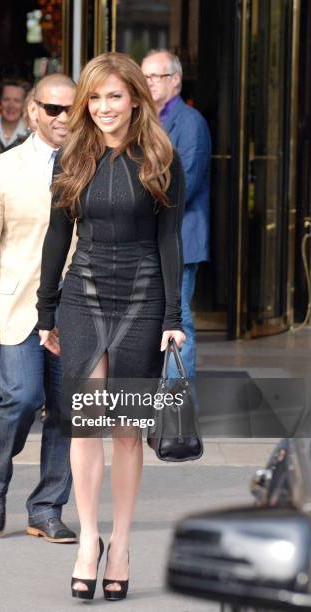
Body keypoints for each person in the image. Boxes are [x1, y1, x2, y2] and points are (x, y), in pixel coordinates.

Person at [36, 52, 185, 601]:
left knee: (124, 428)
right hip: (84, 292)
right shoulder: (70, 156)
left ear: (135, 100)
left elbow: (171, 239)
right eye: (93, 98)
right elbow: (57, 236)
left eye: (113, 96)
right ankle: (89, 540)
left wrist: (174, 317)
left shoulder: (160, 155)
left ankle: (121, 542)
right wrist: (44, 309)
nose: (102, 108)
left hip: (144, 295)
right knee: (84, 422)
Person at [0, 73, 77, 543]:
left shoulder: (93, 165)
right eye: (54, 109)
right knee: (23, 397)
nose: (64, 118)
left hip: (77, 309)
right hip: (17, 309)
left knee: (69, 411)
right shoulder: (0, 169)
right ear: (33, 111)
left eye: (73, 108)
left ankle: (47, 507)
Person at [141, 49, 211, 384]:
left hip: (180, 238)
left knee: (178, 321)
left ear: (176, 81)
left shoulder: (190, 123)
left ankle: (176, 401)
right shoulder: (144, 119)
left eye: (156, 76)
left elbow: (188, 185)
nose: (149, 82)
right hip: (150, 238)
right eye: (146, 76)